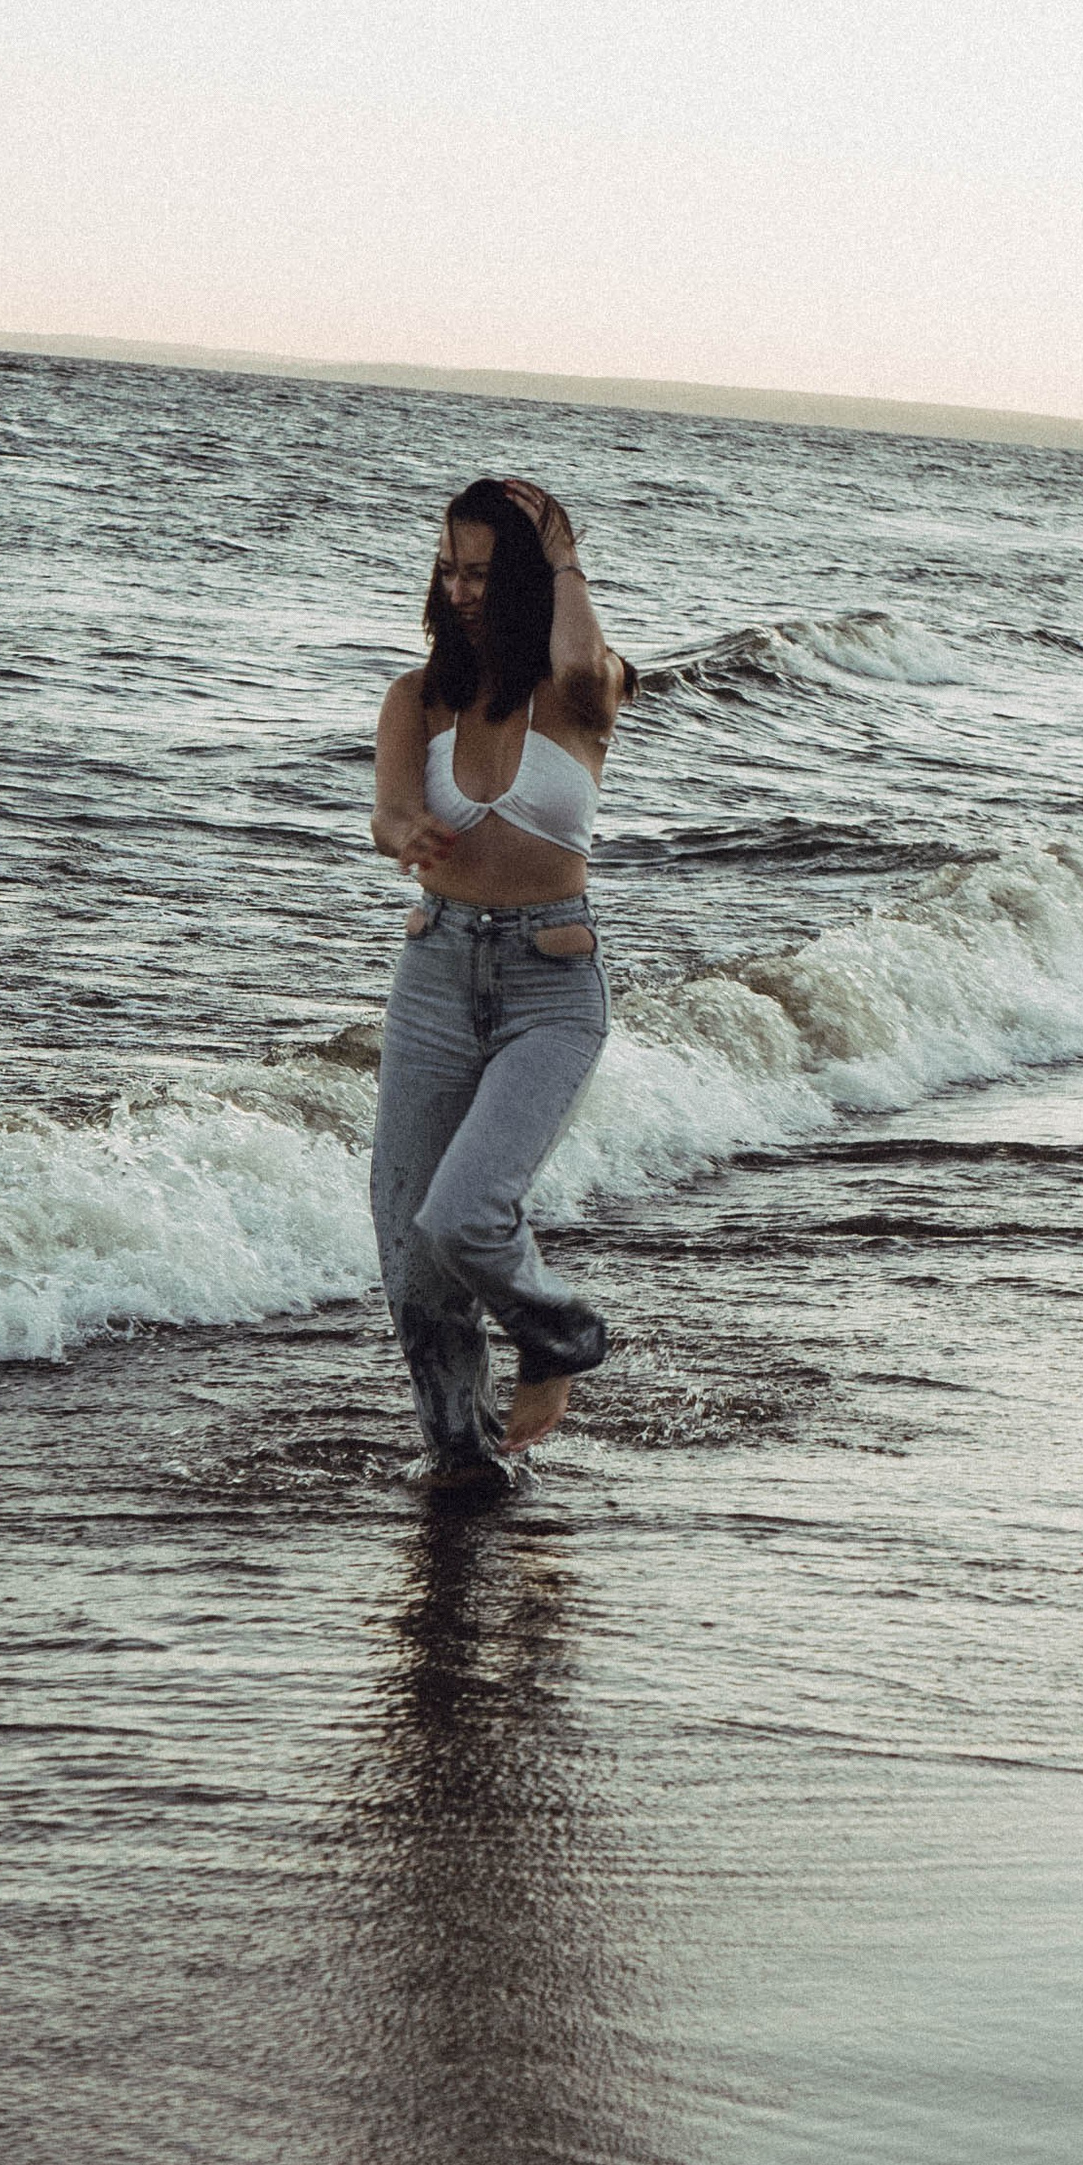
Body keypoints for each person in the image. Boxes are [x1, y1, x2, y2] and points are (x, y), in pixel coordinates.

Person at [369, 474, 632, 1488]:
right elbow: (388, 811)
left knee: (464, 1214)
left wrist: (563, 552)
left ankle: (559, 1334)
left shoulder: (584, 692)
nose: (461, 588)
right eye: (449, 568)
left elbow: (577, 656)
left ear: (526, 578)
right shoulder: (418, 697)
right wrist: (405, 833)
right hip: (434, 979)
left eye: (484, 571)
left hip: (551, 986)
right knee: (414, 1260)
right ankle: (466, 1464)